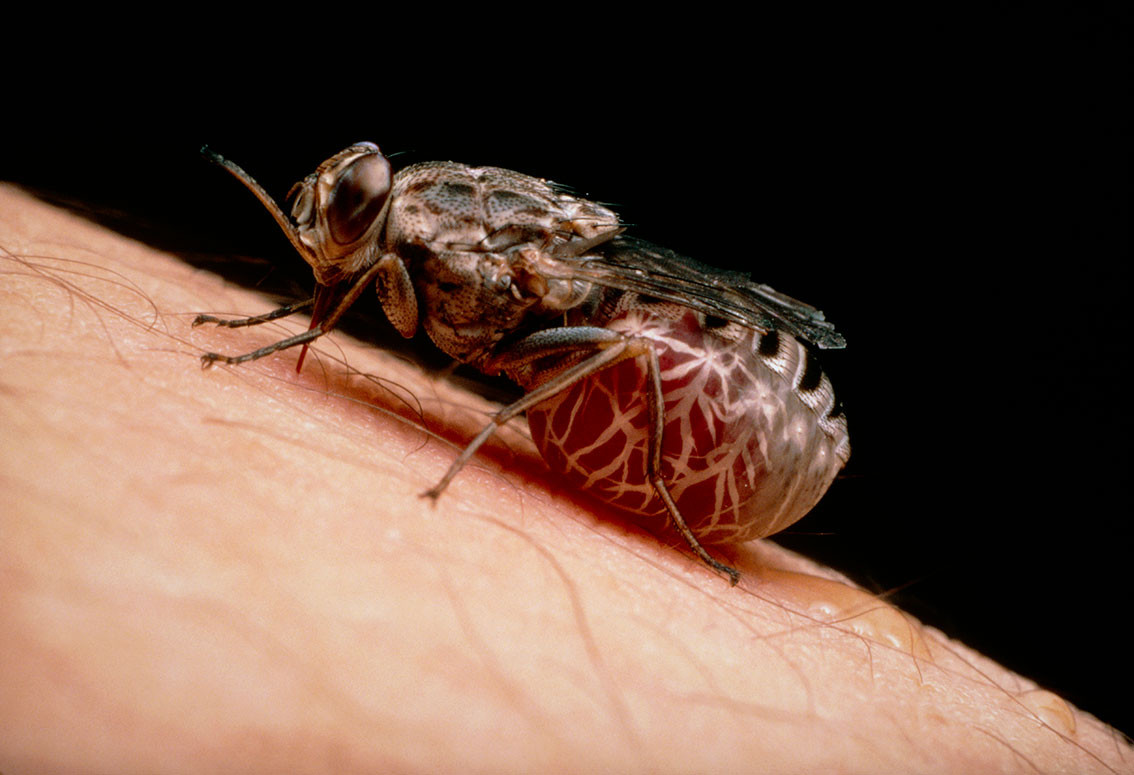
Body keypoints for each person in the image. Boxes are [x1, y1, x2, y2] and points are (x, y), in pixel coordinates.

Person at [1, 184, 1127, 773]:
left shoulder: (465, 247)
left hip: (741, 394)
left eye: (344, 215)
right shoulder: (406, 245)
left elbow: (587, 316)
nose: (329, 235)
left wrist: (487, 440)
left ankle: (668, 500)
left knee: (619, 340)